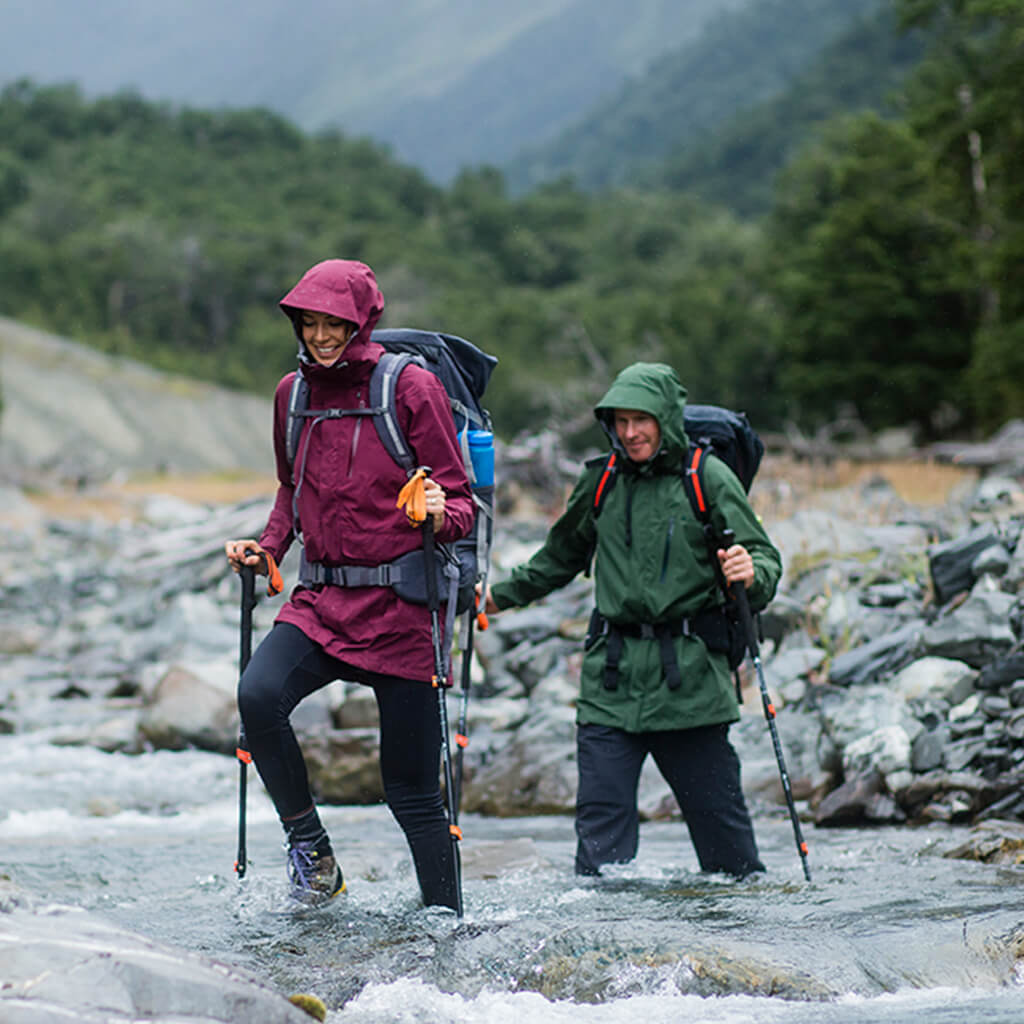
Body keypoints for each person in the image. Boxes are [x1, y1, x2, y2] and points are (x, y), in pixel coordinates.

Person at [225, 258, 473, 909]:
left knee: (412, 789)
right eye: (309, 323)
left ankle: (446, 923)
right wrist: (268, 548)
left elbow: (463, 504)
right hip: (322, 601)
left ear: (361, 321)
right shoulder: (293, 396)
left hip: (403, 610)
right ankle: (313, 852)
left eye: (333, 323)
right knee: (257, 695)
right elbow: (290, 491)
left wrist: (438, 511)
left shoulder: (411, 390)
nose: (321, 335)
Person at [484, 362, 782, 878]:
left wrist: (751, 572)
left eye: (640, 420)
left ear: (666, 417)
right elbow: (558, 557)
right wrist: (494, 598)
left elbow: (764, 558)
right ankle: (602, 942)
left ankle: (741, 937)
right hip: (611, 684)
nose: (629, 432)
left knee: (727, 848)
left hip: (691, 686)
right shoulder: (601, 482)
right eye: (619, 421)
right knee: (599, 849)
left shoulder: (706, 476)